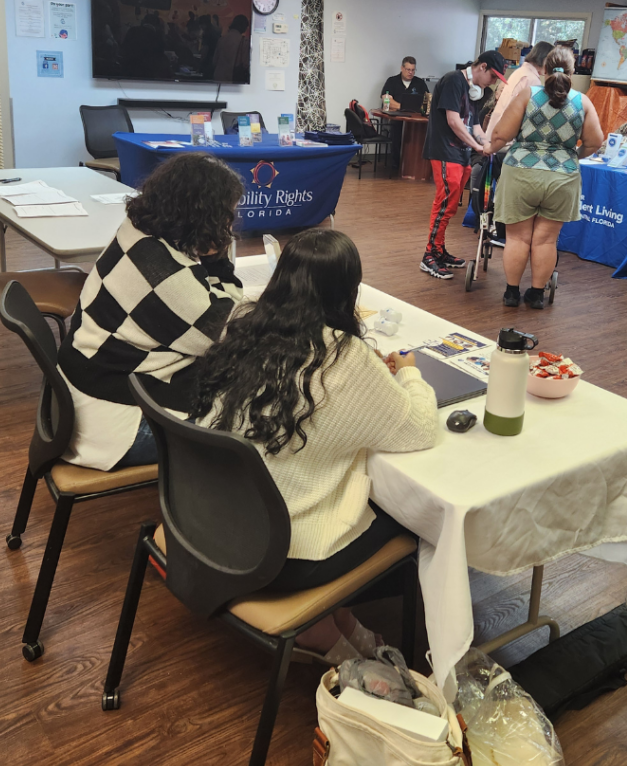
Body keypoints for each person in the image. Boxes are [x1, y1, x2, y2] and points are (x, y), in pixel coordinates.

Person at [191, 229, 438, 662]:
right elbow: (418, 429)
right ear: (348, 290)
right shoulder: (344, 355)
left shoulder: (243, 321)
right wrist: (411, 374)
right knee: (411, 518)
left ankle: (339, 625)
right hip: (277, 554)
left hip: (208, 518)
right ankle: (336, 640)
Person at [57, 154, 245, 470]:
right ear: (205, 217)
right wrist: (217, 261)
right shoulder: (167, 277)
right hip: (109, 426)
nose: (231, 223)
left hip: (84, 384)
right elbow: (224, 335)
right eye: (227, 215)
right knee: (253, 414)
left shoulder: (136, 232)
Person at [483, 46, 604, 308]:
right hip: (562, 178)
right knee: (546, 240)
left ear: (544, 69)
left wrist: (489, 148)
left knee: (517, 238)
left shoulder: (529, 95)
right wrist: (571, 156)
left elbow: (501, 134)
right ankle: (536, 294)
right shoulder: (582, 101)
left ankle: (511, 293)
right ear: (572, 73)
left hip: (521, 173)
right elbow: (595, 142)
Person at [421, 50, 507, 279]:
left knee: (450, 206)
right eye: (493, 76)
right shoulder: (453, 80)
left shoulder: (480, 92)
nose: (494, 82)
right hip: (444, 151)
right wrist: (478, 147)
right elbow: (454, 121)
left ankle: (439, 250)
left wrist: (489, 144)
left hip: (462, 154)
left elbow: (475, 126)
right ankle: (429, 255)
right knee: (444, 203)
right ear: (483, 67)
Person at [488, 40, 555, 132]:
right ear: (545, 59)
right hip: (505, 135)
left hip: (497, 130)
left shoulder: (521, 72)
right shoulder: (531, 79)